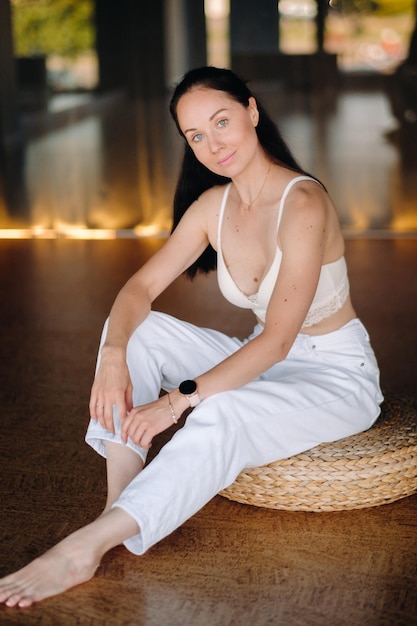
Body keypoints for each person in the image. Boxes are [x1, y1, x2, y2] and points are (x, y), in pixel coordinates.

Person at [0, 66, 383, 608]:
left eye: (221, 121)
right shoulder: (212, 207)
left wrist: (174, 403)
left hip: (335, 374)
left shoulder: (303, 203)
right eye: (195, 135)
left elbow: (276, 341)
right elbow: (138, 289)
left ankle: (83, 547)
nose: (212, 143)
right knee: (134, 328)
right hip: (265, 360)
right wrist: (113, 354)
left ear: (252, 112)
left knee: (215, 412)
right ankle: (118, 505)